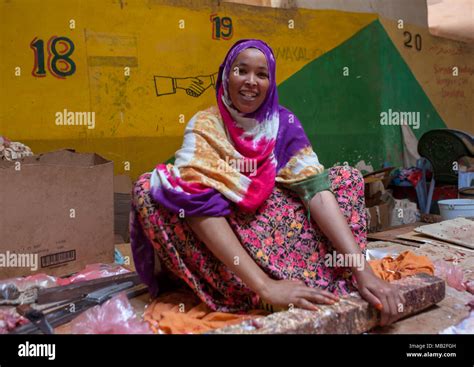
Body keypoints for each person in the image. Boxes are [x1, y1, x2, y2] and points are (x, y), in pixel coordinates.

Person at [130, 39, 404, 326]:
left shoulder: (282, 124)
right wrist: (265, 286)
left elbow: (315, 192)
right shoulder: (205, 127)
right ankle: (249, 290)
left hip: (264, 228)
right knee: (150, 189)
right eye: (241, 71)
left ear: (270, 82)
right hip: (227, 244)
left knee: (344, 179)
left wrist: (361, 269)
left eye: (261, 74)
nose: (251, 82)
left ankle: (312, 277)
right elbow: (197, 205)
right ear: (226, 75)